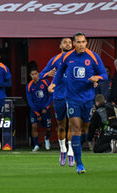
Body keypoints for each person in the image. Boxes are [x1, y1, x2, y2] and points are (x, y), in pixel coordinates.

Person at [49, 32, 108, 174]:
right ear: (74, 44)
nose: (81, 44)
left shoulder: (93, 56)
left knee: (84, 130)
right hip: (72, 98)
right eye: (79, 42)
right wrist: (53, 84)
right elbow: (58, 72)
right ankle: (79, 164)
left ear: (86, 43)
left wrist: (97, 77)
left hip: (87, 99)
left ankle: (76, 148)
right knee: (75, 128)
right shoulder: (67, 57)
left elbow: (104, 74)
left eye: (83, 42)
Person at [39, 37, 74, 166]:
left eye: (70, 42)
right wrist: (49, 73)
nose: (68, 44)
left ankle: (70, 151)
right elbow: (41, 75)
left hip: (72, 96)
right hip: (59, 96)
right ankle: (63, 149)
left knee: (72, 123)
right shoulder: (55, 59)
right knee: (61, 124)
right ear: (60, 45)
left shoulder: (77, 59)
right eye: (65, 42)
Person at [26, 67, 52, 152]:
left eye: (36, 74)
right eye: (32, 74)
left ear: (39, 74)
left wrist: (46, 107)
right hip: (35, 110)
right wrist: (37, 114)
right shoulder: (29, 86)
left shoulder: (45, 82)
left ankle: (47, 139)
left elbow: (51, 95)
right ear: (30, 75)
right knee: (34, 126)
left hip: (45, 109)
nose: (34, 76)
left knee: (48, 128)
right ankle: (36, 145)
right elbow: (30, 101)